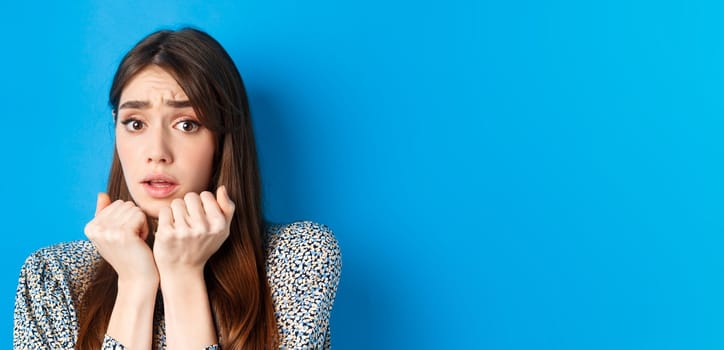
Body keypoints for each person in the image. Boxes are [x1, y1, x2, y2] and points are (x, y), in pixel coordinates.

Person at [13, 28, 341, 350]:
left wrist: (183, 276)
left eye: (186, 124)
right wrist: (134, 284)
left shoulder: (298, 256)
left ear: (221, 140)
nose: (157, 152)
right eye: (135, 123)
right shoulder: (53, 277)